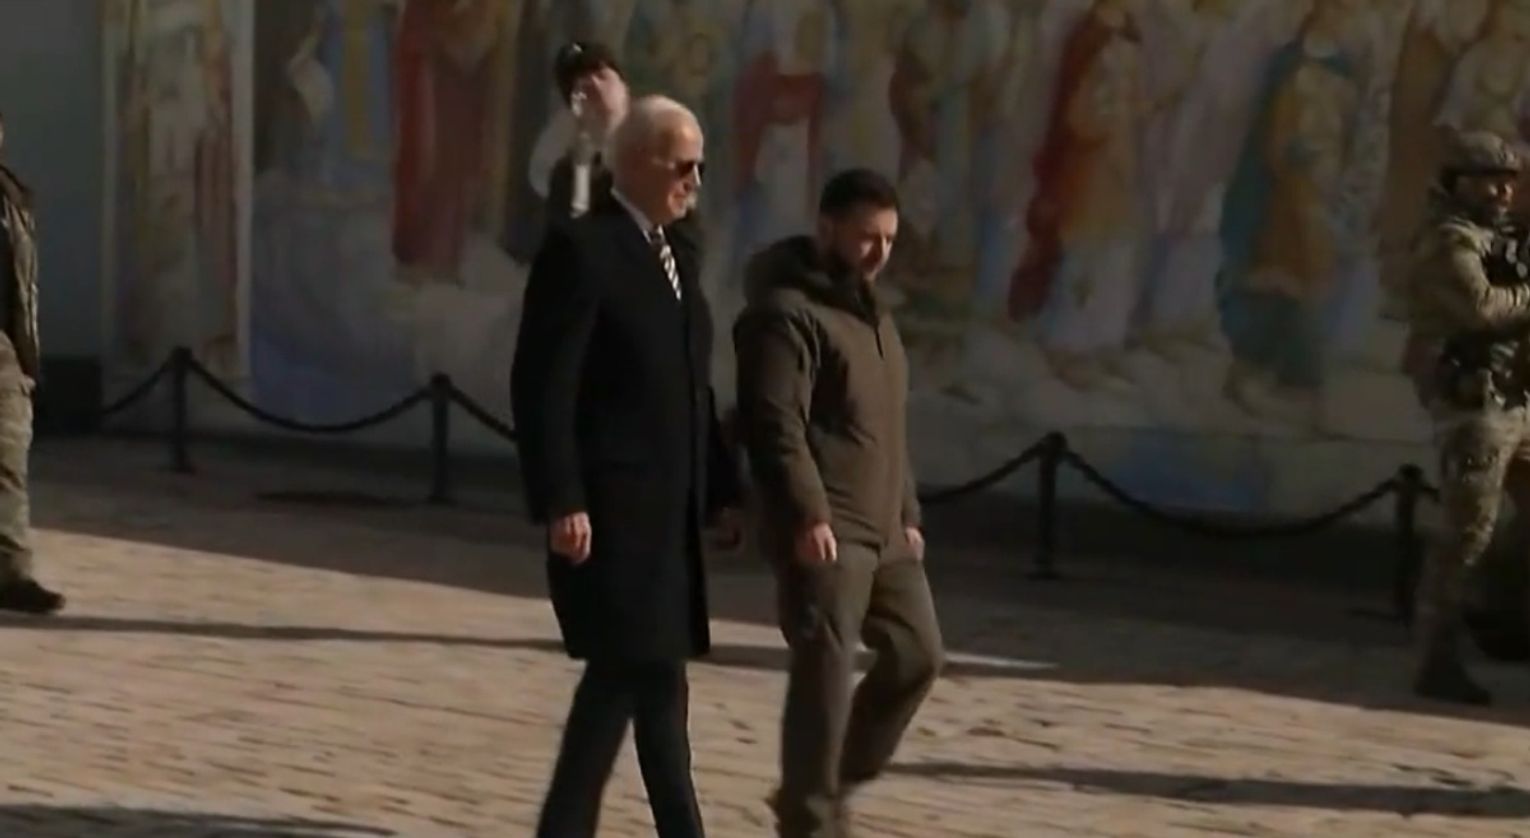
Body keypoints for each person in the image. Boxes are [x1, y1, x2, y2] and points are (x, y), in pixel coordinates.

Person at [510, 95, 739, 838]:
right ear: (637, 162)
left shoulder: (679, 256)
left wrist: (721, 490)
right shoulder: (584, 250)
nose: (694, 180)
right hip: (613, 513)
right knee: (629, 676)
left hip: (669, 514)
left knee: (643, 683)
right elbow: (545, 386)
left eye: (701, 167)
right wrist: (562, 496)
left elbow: (692, 389)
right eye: (683, 165)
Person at [734, 168, 944, 836]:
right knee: (824, 673)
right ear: (826, 229)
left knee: (917, 656)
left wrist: (907, 513)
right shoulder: (784, 315)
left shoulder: (875, 315)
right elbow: (775, 423)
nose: (879, 252)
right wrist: (807, 513)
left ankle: (828, 783)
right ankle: (810, 819)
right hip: (827, 529)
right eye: (866, 237)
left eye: (889, 239)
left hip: (886, 531)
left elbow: (887, 425)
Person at [1403, 129, 1530, 706]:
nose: (1501, 192)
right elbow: (1480, 309)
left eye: (1507, 182)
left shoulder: (1502, 240)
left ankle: (1504, 619)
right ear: (1456, 184)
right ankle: (1436, 660)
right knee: (1465, 537)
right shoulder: (1448, 240)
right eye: (1487, 182)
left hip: (1517, 400)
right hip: (1474, 407)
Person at [538, 41, 703, 250]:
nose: (594, 86)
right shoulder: (568, 177)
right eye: (581, 87)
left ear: (624, 87)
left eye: (601, 75)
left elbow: (686, 229)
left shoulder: (664, 142)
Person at [0, 112, 63, 615]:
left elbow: (22, 281)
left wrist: (25, 354)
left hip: (2, 347)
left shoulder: (11, 195)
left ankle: (10, 573)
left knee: (7, 458)